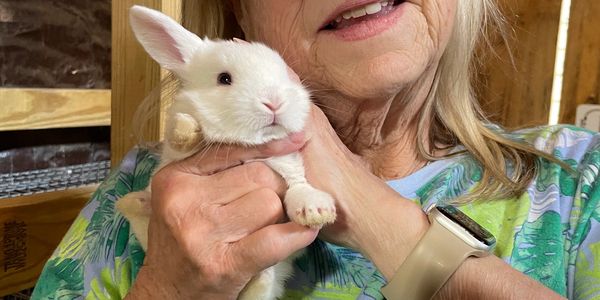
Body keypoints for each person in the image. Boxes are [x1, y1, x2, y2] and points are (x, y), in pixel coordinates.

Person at [32, 0, 599, 299]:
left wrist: (370, 211)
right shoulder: (149, 195)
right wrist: (169, 292)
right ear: (240, 16)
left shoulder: (580, 181)